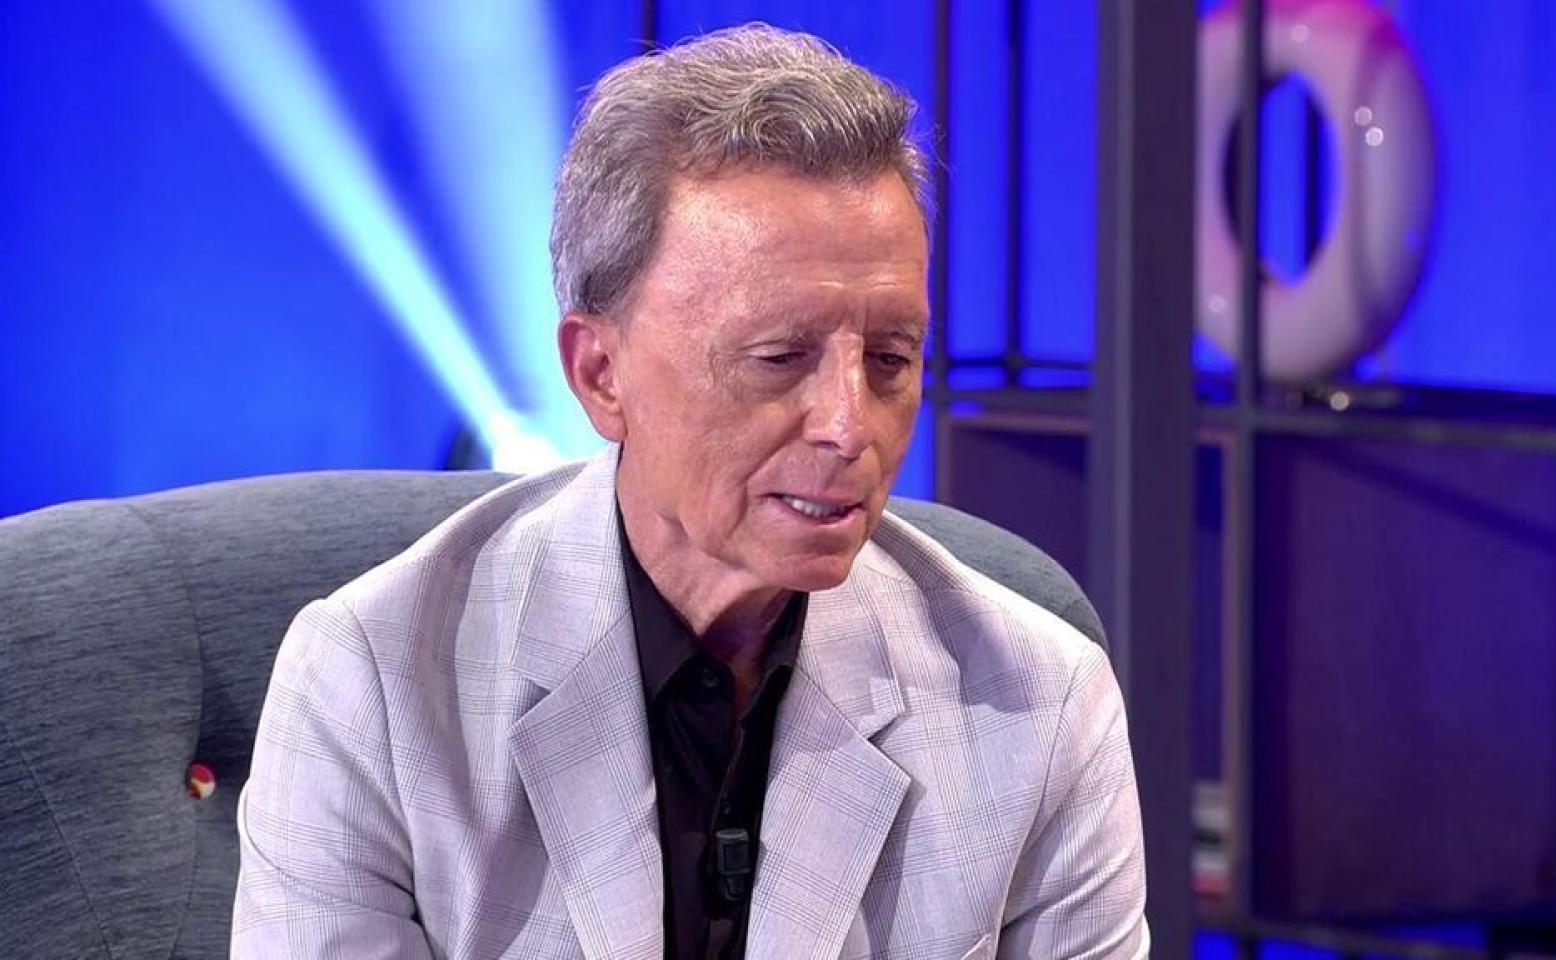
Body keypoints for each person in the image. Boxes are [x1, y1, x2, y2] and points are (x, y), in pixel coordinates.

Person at [233, 23, 1148, 959]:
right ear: (601, 374)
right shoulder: (377, 682)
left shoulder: (1038, 705)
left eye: (889, 358)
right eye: (779, 357)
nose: (849, 426)